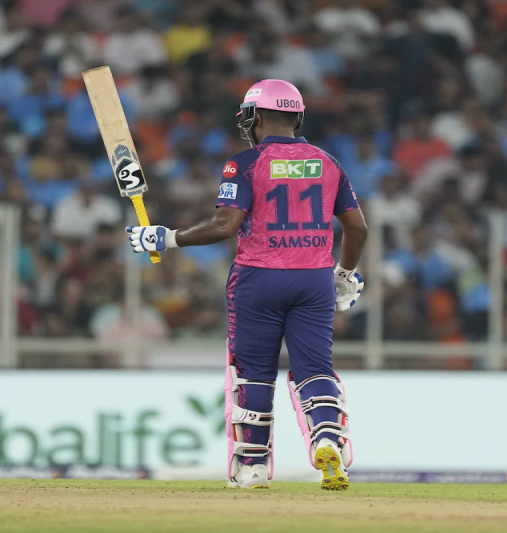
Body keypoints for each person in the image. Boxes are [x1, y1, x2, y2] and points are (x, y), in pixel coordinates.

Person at [125, 79, 368, 491]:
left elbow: (225, 225)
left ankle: (253, 467)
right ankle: (327, 437)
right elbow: (358, 228)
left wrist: (166, 237)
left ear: (255, 117)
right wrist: (344, 274)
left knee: (253, 373)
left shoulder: (245, 164)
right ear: (297, 117)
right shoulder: (328, 162)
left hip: (259, 278)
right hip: (314, 279)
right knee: (315, 368)